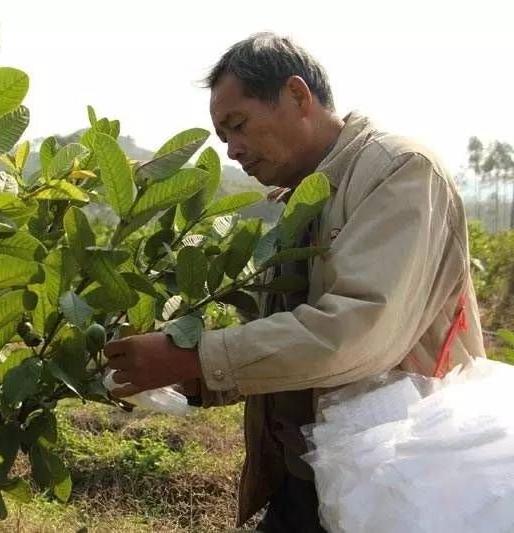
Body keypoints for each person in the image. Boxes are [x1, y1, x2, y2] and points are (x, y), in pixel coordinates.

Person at [104, 32, 486, 532]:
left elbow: (355, 332)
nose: (234, 150)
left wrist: (195, 357)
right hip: (314, 483)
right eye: (223, 139)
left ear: (298, 96)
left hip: (394, 487)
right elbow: (289, 342)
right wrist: (193, 378)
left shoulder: (398, 172)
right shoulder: (302, 199)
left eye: (238, 126)